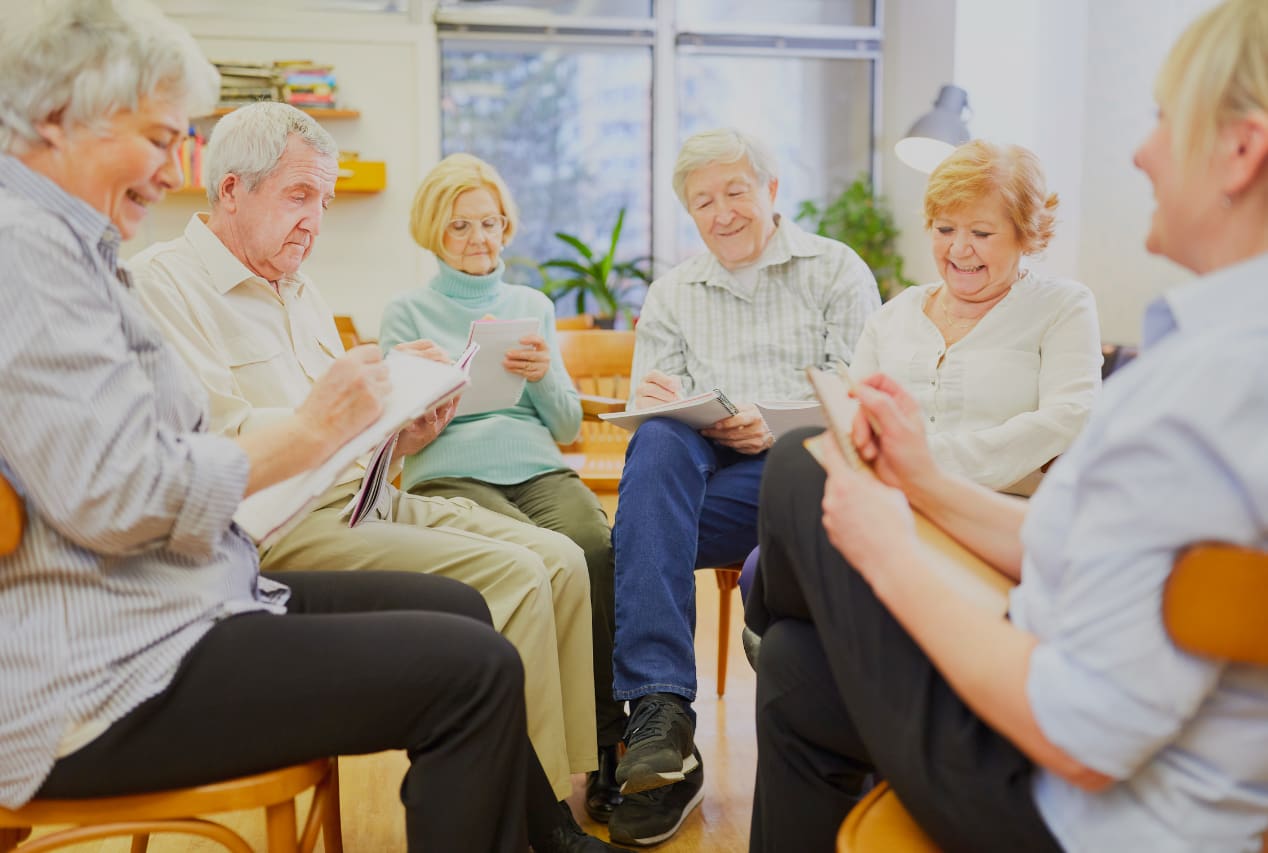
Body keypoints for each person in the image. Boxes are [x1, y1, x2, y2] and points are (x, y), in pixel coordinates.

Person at [0, 2, 625, 851]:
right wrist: (315, 428)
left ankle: (537, 816)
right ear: (56, 120)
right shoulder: (36, 256)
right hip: (113, 658)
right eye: (155, 140)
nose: (165, 168)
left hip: (184, 595)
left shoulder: (73, 249)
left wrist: (382, 424)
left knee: (469, 610)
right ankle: (543, 824)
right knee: (472, 666)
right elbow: (125, 492)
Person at [745, 0, 1268, 850]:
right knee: (797, 671)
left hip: (1070, 803)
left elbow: (1083, 735)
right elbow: (1084, 546)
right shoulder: (1214, 359)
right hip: (1069, 702)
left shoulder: (1209, 386)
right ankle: (783, 602)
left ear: (1241, 150)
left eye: (1167, 121)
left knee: (806, 469)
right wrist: (921, 478)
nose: (1141, 150)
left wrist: (890, 554)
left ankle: (772, 594)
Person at [128, 101, 597, 807]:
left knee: (562, 558)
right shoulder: (162, 284)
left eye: (324, 198)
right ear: (230, 189)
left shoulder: (301, 288)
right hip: (279, 521)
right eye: (299, 196)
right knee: (519, 572)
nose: (315, 219)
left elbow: (350, 430)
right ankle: (530, 809)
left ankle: (556, 786)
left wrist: (405, 422)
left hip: (365, 494)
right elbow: (216, 445)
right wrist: (348, 409)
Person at [608, 127, 881, 846]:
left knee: (631, 543)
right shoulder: (673, 292)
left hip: (797, 472)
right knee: (662, 436)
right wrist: (665, 396)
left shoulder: (836, 270)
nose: (722, 212)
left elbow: (858, 392)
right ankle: (663, 710)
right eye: (703, 200)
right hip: (698, 474)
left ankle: (657, 739)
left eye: (735, 191)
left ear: (771, 191)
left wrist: (771, 421)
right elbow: (652, 401)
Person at [378, 152, 627, 824]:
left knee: (593, 545)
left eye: (489, 223)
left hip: (537, 465)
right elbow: (395, 436)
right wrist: (428, 396)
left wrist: (546, 372)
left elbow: (569, 423)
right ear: (434, 231)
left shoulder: (529, 306)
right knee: (536, 564)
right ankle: (526, 755)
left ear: (507, 226)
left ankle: (608, 744)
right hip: (449, 469)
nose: (479, 239)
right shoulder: (405, 313)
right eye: (461, 225)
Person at [850, 139, 1102, 496]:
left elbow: (1070, 417)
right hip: (891, 499)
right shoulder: (894, 314)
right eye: (944, 229)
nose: (958, 249)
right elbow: (854, 412)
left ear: (1026, 234)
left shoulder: (1063, 306)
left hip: (1002, 511)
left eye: (981, 233)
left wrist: (926, 461)